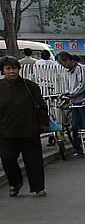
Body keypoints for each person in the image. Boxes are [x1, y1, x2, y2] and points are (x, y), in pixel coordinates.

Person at [0, 55, 51, 196]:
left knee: (34, 161)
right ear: (3, 71)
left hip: (30, 129)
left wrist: (43, 124)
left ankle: (38, 187)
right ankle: (15, 183)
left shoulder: (30, 86)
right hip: (6, 131)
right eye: (8, 68)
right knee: (7, 158)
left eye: (14, 68)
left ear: (19, 69)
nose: (12, 71)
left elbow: (41, 106)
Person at [58, 51, 85, 157]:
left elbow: (84, 84)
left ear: (69, 60)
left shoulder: (81, 68)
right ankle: (80, 150)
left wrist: (72, 94)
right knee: (75, 127)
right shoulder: (68, 72)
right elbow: (69, 87)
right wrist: (67, 94)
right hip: (74, 104)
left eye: (63, 62)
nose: (63, 65)